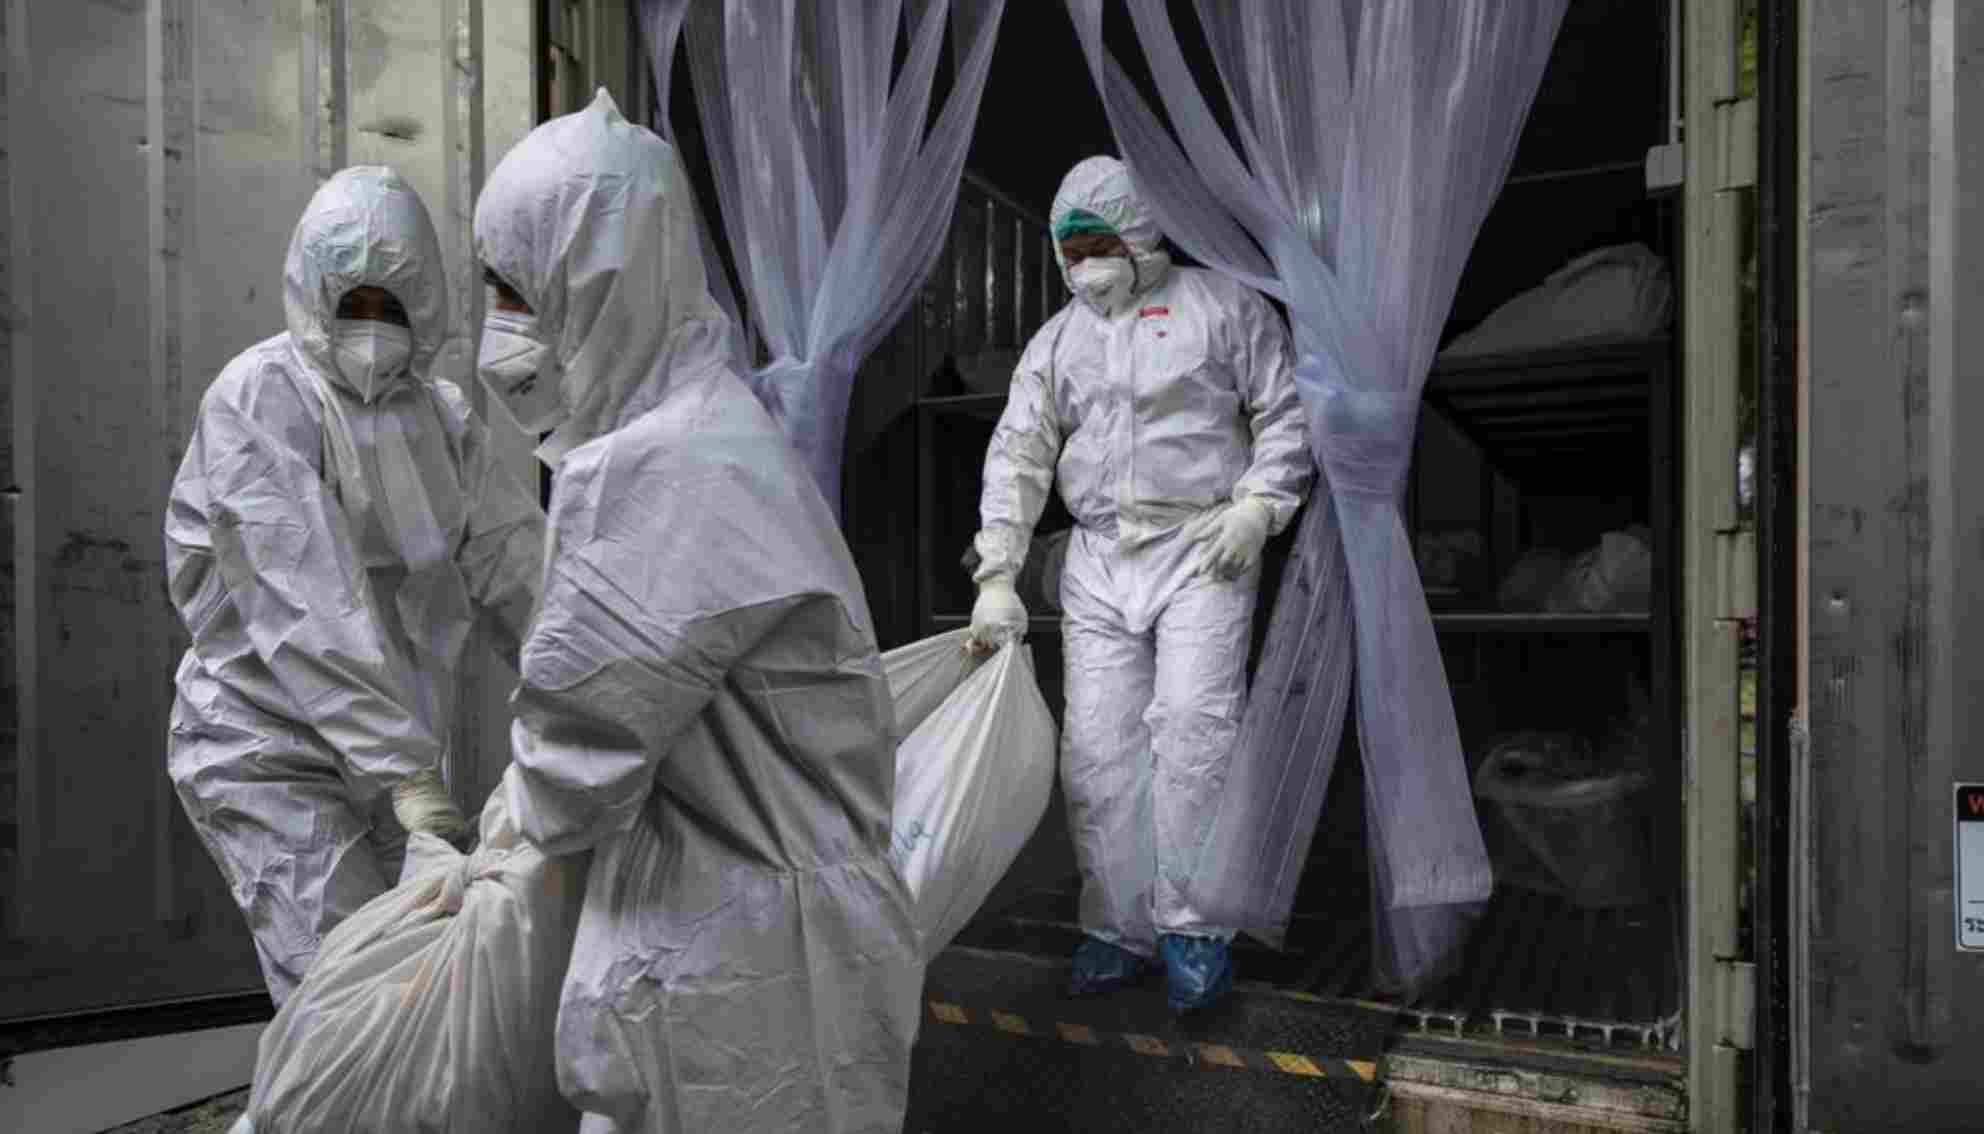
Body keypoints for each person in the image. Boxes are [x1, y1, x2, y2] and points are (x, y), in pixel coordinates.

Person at [472, 90, 921, 1134]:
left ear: (595, 282)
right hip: (752, 931)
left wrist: (498, 840)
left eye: (515, 292)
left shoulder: (661, 467)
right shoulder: (704, 429)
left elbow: (576, 768)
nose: (501, 330)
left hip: (746, 965)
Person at [164, 166, 546, 1006]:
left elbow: (516, 565)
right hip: (270, 748)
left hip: (395, 768)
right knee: (343, 991)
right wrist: (407, 774)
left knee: (417, 993)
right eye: (353, 305)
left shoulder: (441, 417)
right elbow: (306, 604)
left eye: (392, 307)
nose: (372, 329)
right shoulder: (260, 398)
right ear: (312, 295)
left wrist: (588, 681)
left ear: (427, 306)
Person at [966, 156, 1313, 1013]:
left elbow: (1285, 409)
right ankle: (1117, 926)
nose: (1082, 266)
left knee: (1194, 734)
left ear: (1139, 232)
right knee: (1097, 753)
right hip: (1097, 560)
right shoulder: (1058, 342)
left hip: (1203, 547)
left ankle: (1194, 928)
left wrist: (1259, 507)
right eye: (1069, 251)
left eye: (1096, 245)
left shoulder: (1222, 307)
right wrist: (998, 571)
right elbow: (1019, 452)